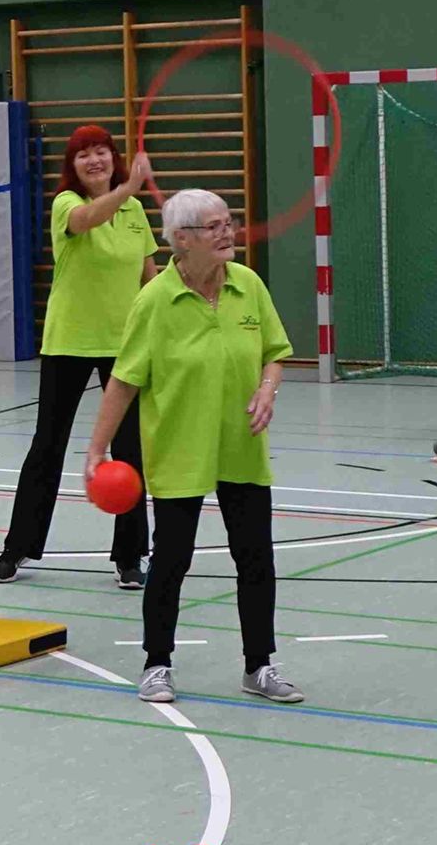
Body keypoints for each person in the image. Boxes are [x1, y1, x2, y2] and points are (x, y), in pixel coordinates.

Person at [84, 188, 301, 706]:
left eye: (228, 222)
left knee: (255, 558)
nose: (228, 233)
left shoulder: (248, 285)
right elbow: (124, 380)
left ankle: (259, 666)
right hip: (179, 450)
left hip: (242, 446)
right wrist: (97, 449)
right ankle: (156, 664)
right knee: (171, 560)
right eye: (214, 226)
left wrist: (267, 390)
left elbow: (275, 353)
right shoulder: (155, 301)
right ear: (181, 239)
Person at [0, 126, 157, 589]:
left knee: (129, 450)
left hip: (124, 346)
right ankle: (17, 549)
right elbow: (86, 220)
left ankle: (130, 556)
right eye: (83, 154)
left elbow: (150, 277)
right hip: (69, 342)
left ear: (112, 157)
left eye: (100, 151)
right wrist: (128, 188)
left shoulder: (135, 212)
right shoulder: (66, 204)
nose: (93, 160)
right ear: (73, 166)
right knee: (47, 445)